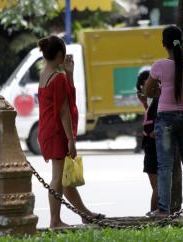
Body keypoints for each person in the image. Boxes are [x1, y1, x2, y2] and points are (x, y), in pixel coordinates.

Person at [37, 35, 104, 228]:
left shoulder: (45, 74)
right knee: (58, 178)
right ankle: (55, 220)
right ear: (59, 54)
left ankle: (85, 214)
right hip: (58, 132)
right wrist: (71, 140)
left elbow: (64, 100)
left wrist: (70, 74)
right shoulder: (58, 78)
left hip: (47, 130)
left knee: (64, 178)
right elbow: (65, 110)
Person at [145, 26, 183, 217]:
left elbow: (147, 91)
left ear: (163, 44)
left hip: (166, 119)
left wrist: (159, 89)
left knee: (165, 166)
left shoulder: (159, 66)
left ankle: (163, 210)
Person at [136, 67, 159, 214]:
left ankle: (154, 213)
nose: (146, 87)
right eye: (144, 84)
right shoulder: (149, 99)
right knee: (157, 186)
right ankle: (154, 213)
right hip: (150, 144)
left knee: (158, 186)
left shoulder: (155, 98)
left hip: (152, 144)